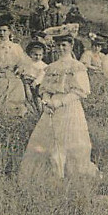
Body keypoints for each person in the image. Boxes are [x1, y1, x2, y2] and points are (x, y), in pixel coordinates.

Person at [19, 32, 99, 179]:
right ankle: (52, 174)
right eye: (58, 45)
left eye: (64, 45)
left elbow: (80, 91)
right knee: (48, 141)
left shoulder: (77, 66)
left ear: (71, 46)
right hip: (51, 108)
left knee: (70, 140)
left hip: (69, 107)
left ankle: (70, 173)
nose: (61, 48)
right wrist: (46, 101)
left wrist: (59, 102)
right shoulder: (51, 67)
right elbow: (45, 89)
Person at [23, 41, 48, 114]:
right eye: (35, 55)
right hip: (27, 81)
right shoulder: (28, 62)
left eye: (40, 55)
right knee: (28, 94)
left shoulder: (43, 65)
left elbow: (41, 75)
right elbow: (24, 71)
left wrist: (35, 82)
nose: (38, 57)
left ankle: (40, 111)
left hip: (37, 83)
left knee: (38, 97)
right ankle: (32, 109)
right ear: (31, 54)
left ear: (43, 56)